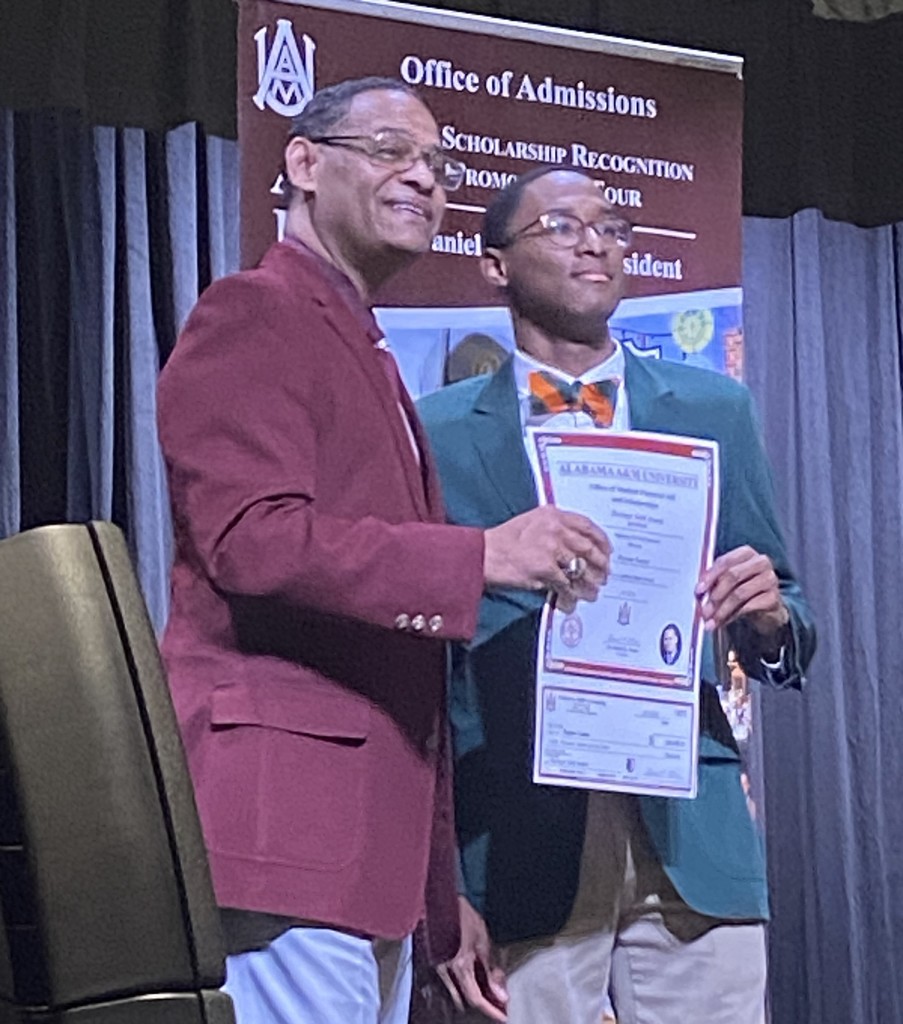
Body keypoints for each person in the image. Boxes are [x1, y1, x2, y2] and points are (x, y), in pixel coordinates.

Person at [156, 88, 611, 1024]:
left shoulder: (361, 345)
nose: (422, 176)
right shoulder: (256, 311)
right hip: (286, 838)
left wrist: (439, 907)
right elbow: (251, 540)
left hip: (370, 864)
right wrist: (473, 557)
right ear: (304, 164)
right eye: (389, 149)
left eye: (439, 165)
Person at [417, 166, 817, 1024]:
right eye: (560, 226)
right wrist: (443, 886)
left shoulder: (712, 408)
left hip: (690, 828)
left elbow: (784, 614)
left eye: (611, 226)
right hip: (515, 836)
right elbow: (420, 668)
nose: (595, 241)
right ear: (494, 266)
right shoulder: (437, 432)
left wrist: (769, 615)